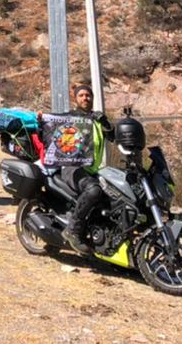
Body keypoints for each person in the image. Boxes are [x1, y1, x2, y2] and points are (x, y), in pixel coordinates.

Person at [54, 83, 113, 253]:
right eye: (81, 95)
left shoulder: (96, 120)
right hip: (72, 168)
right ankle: (73, 230)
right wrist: (42, 117)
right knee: (93, 191)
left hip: (93, 170)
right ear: (76, 98)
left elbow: (114, 138)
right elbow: (53, 125)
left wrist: (106, 123)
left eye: (88, 95)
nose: (85, 98)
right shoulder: (71, 117)